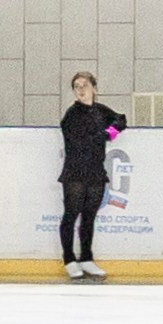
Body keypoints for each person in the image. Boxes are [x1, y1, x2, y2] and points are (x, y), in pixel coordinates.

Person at [58, 71, 126, 281]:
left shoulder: (100, 110)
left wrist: (111, 132)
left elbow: (120, 119)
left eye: (84, 85)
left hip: (96, 171)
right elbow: (83, 140)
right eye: (76, 86)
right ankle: (69, 259)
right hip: (75, 172)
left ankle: (86, 257)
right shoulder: (71, 115)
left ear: (94, 88)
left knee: (89, 216)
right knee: (71, 215)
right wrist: (104, 135)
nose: (80, 90)